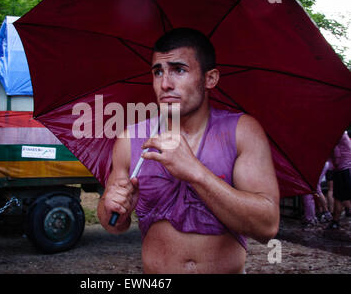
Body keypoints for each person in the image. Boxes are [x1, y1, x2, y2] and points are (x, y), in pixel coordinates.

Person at [97, 28, 280, 274]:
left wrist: (195, 172)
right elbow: (113, 225)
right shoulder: (131, 138)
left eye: (179, 70)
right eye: (158, 72)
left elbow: (267, 225)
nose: (165, 84)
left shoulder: (242, 131)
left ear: (210, 78)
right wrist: (111, 208)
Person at [327, 131, 351, 229]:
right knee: (338, 197)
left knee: (344, 197)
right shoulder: (340, 134)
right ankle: (335, 221)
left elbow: (336, 155)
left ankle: (335, 221)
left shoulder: (338, 134)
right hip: (341, 170)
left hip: (344, 169)